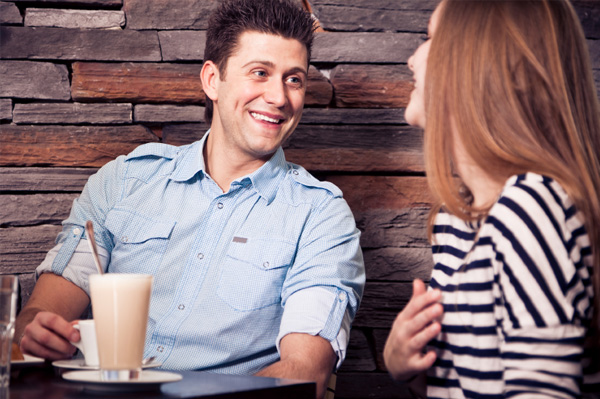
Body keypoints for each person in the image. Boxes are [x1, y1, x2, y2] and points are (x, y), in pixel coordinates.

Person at [14, 0, 365, 397]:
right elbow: (40, 316)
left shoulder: (321, 216)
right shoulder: (124, 181)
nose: (279, 97)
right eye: (260, 73)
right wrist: (38, 332)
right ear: (213, 80)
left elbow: (305, 372)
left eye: (294, 79)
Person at [383, 0, 600, 397]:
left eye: (430, 38)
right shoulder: (456, 224)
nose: (412, 60)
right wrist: (410, 366)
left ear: (478, 66)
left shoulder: (530, 209)